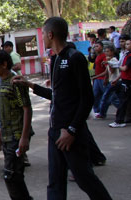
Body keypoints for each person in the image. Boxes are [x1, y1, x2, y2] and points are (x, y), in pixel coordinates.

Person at [13, 17, 112, 200]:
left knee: (85, 179)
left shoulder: (74, 58)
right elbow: (57, 96)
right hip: (55, 131)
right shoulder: (55, 59)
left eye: (43, 34)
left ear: (50, 34)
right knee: (55, 181)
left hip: (70, 133)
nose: (42, 37)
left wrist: (72, 130)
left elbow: (87, 98)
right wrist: (30, 85)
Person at [0, 51, 33, 199]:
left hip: (17, 134)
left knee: (11, 175)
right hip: (6, 135)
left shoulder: (16, 82)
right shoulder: (1, 84)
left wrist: (24, 137)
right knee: (13, 176)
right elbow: (2, 113)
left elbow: (26, 108)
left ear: (4, 64)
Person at [109, 39, 131, 128]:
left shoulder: (129, 56)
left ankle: (119, 121)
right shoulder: (126, 55)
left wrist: (117, 66)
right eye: (126, 44)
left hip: (127, 82)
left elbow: (125, 68)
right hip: (124, 80)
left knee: (123, 101)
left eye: (128, 44)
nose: (126, 45)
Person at [97, 46, 120, 119]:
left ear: (112, 52)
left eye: (108, 51)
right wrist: (105, 79)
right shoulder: (108, 60)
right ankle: (122, 110)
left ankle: (102, 113)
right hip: (111, 80)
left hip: (115, 81)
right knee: (113, 98)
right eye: (105, 51)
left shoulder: (114, 60)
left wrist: (108, 62)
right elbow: (107, 72)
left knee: (106, 97)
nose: (106, 53)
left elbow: (112, 71)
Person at [91, 41, 107, 116]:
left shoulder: (104, 56)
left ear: (102, 47)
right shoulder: (97, 56)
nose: (95, 48)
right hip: (97, 78)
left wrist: (105, 78)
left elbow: (107, 69)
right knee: (95, 95)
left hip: (102, 78)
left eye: (97, 46)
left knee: (107, 96)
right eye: (95, 47)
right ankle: (97, 111)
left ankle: (101, 112)